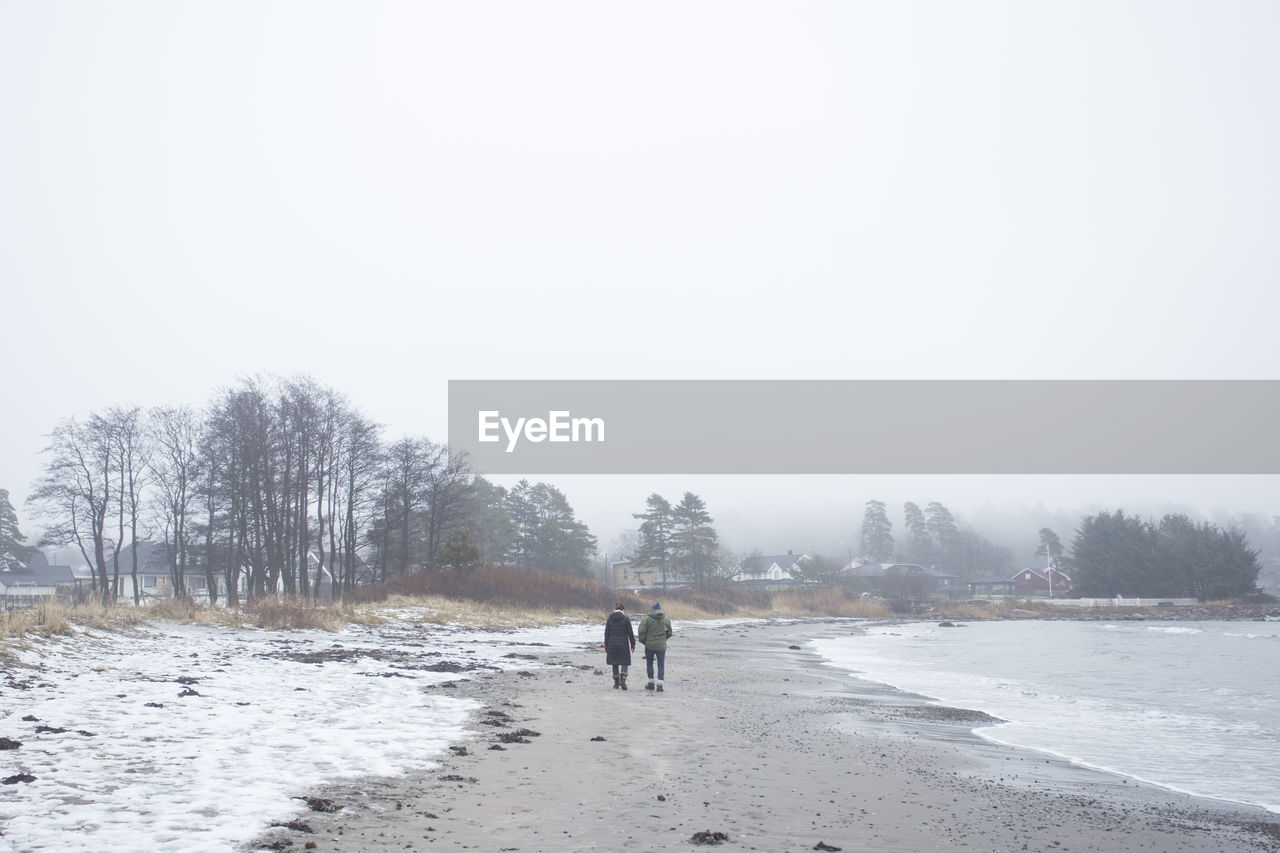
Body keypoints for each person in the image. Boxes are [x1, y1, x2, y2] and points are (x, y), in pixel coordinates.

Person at [637, 601, 673, 692]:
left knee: (649, 663)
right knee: (661, 665)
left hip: (649, 645)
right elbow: (670, 632)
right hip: (661, 646)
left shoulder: (647, 619)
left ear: (652, 609)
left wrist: (644, 641)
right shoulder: (666, 619)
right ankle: (660, 685)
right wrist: (664, 639)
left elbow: (641, 631)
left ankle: (651, 683)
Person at [604, 602, 636, 690]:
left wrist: (606, 644)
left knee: (615, 663)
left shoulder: (610, 619)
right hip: (623, 644)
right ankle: (623, 678)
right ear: (623, 610)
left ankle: (616, 683)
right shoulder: (626, 619)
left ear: (615, 609)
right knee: (624, 662)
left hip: (612, 644)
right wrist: (633, 644)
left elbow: (606, 633)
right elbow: (630, 633)